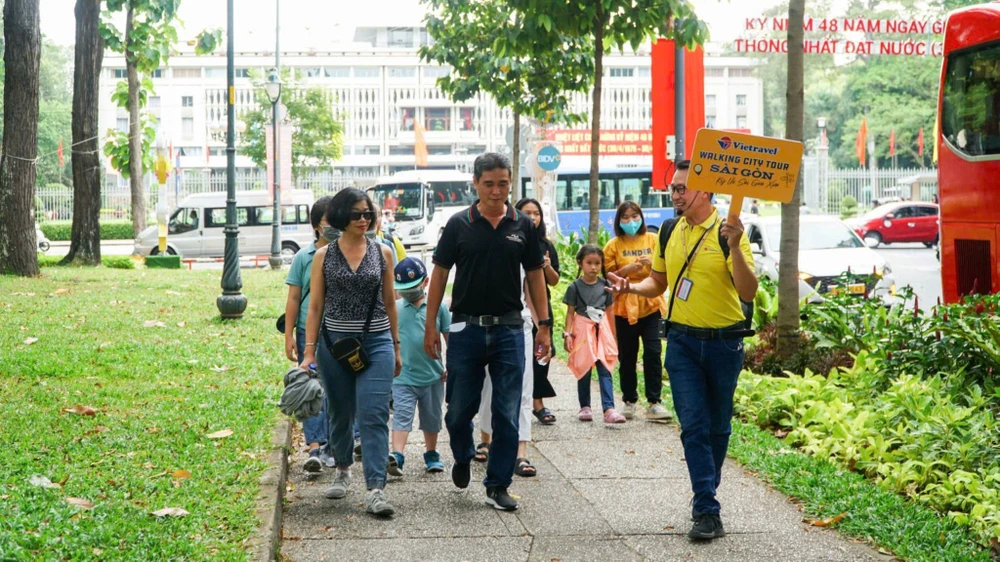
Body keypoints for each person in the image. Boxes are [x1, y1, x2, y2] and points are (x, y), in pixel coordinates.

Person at [607, 159, 758, 541]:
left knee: (718, 426)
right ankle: (706, 506)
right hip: (681, 342)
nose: (674, 194)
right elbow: (658, 282)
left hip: (724, 343)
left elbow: (748, 291)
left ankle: (706, 487)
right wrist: (630, 289)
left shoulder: (729, 231)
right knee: (693, 425)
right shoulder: (670, 230)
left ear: (705, 191)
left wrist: (737, 247)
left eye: (681, 188)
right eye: (672, 188)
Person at [424, 152, 551, 512]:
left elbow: (536, 277)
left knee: (506, 412)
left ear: (511, 183)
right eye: (489, 184)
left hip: (511, 329)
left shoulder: (522, 226)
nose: (496, 191)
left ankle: (497, 484)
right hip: (466, 329)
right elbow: (439, 275)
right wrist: (432, 325)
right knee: (458, 410)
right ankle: (462, 454)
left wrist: (544, 326)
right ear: (476, 184)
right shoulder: (458, 224)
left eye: (503, 184)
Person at [299, 188, 402, 518]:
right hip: (334, 346)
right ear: (342, 216)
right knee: (340, 412)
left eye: (368, 214)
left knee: (373, 415)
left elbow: (390, 302)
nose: (363, 219)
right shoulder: (323, 256)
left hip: (377, 342)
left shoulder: (383, 252)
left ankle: (375, 489)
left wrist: (397, 347)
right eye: (357, 214)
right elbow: (314, 306)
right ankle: (342, 469)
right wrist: (309, 352)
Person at [602, 202, 671, 421]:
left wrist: (651, 264)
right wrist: (627, 270)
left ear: (641, 217)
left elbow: (667, 267)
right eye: (626, 217)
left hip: (651, 303)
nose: (631, 221)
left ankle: (654, 402)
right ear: (618, 221)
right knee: (628, 355)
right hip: (624, 307)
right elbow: (607, 276)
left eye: (635, 216)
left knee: (653, 352)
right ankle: (629, 400)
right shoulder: (613, 245)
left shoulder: (654, 239)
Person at [474, 264, 541, 477]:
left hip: (520, 323)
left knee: (523, 389)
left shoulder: (524, 241)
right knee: (488, 386)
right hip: (485, 323)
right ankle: (486, 438)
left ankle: (520, 452)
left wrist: (544, 329)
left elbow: (531, 293)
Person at [284, 196, 335, 474]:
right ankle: (314, 447)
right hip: (308, 332)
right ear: (316, 226)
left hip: (339, 332)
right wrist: (289, 335)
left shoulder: (345, 253)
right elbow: (293, 298)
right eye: (329, 221)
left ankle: (334, 446)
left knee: (336, 389)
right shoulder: (303, 258)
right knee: (311, 388)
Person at [387, 257, 450, 476]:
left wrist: (451, 364)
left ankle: (431, 453)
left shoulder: (439, 307)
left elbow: (448, 336)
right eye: (402, 289)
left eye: (412, 287)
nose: (408, 292)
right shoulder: (394, 309)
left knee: (431, 418)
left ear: (426, 282)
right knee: (402, 415)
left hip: (433, 375)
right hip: (402, 376)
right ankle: (396, 455)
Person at [514, 198, 561, 426]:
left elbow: (554, 280)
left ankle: (538, 404)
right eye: (527, 213)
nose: (533, 217)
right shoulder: (511, 241)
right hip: (517, 306)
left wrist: (546, 265)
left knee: (542, 355)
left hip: (542, 308)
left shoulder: (546, 245)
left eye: (536, 213)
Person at [564, 245, 624, 423]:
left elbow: (610, 311)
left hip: (602, 330)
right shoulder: (574, 287)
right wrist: (568, 333)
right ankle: (585, 406)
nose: (593, 267)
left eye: (597, 263)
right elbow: (570, 312)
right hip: (582, 331)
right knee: (584, 368)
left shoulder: (606, 286)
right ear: (580, 263)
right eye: (589, 263)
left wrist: (613, 336)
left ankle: (609, 408)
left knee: (605, 368)